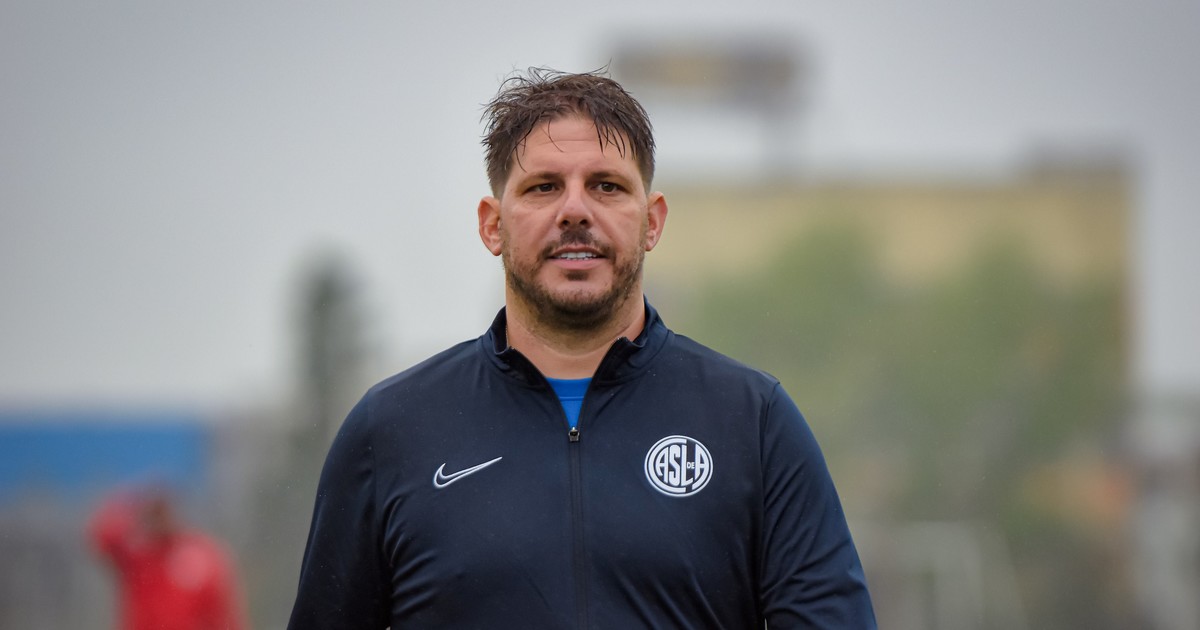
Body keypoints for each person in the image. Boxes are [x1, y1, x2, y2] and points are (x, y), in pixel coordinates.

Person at [288, 68, 876, 628]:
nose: (574, 211)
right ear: (493, 224)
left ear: (652, 221)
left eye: (607, 186)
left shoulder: (753, 421)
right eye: (543, 187)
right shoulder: (391, 430)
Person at [88, 486, 247, 630]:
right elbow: (102, 537)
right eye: (154, 514)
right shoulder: (137, 557)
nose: (160, 520)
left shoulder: (201, 554)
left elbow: (224, 613)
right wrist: (133, 501)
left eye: (163, 512)